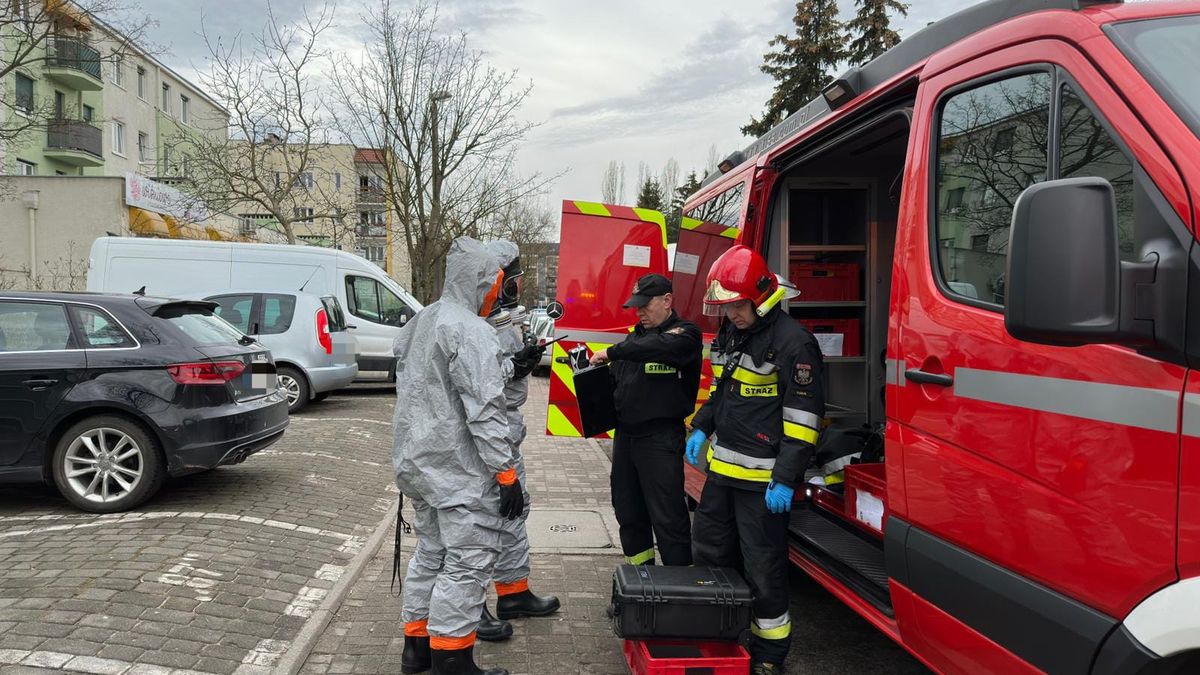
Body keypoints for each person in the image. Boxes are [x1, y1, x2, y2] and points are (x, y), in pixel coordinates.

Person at [685, 246, 825, 675]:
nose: (730, 315)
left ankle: (768, 656)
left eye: (737, 306)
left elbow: (803, 423)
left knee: (763, 569)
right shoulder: (733, 333)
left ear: (761, 297)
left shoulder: (794, 343)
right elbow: (722, 391)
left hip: (763, 482)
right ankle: (719, 636)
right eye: (725, 308)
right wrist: (701, 426)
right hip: (722, 475)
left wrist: (785, 477)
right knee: (709, 556)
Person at [393, 236, 522, 675]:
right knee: (466, 563)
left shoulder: (424, 319)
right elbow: (485, 411)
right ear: (482, 282)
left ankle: (417, 649)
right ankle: (452, 660)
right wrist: (505, 474)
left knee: (430, 553)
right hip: (460, 471)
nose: (495, 294)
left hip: (418, 464)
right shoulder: (472, 331)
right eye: (494, 284)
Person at [475, 240, 560, 643]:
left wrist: (523, 357)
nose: (518, 288)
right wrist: (514, 366)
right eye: (514, 280)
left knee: (514, 511)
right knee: (479, 523)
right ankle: (470, 609)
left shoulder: (501, 318)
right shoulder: (470, 326)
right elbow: (477, 386)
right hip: (486, 435)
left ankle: (513, 592)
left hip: (507, 430)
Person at [589, 273, 702, 566]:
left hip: (660, 439)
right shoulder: (636, 336)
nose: (639, 311)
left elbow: (658, 347)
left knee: (667, 514)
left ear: (667, 301)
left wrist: (611, 352)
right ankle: (642, 579)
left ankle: (679, 585)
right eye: (636, 306)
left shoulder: (685, 334)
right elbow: (622, 377)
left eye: (645, 304)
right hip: (627, 437)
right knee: (628, 509)